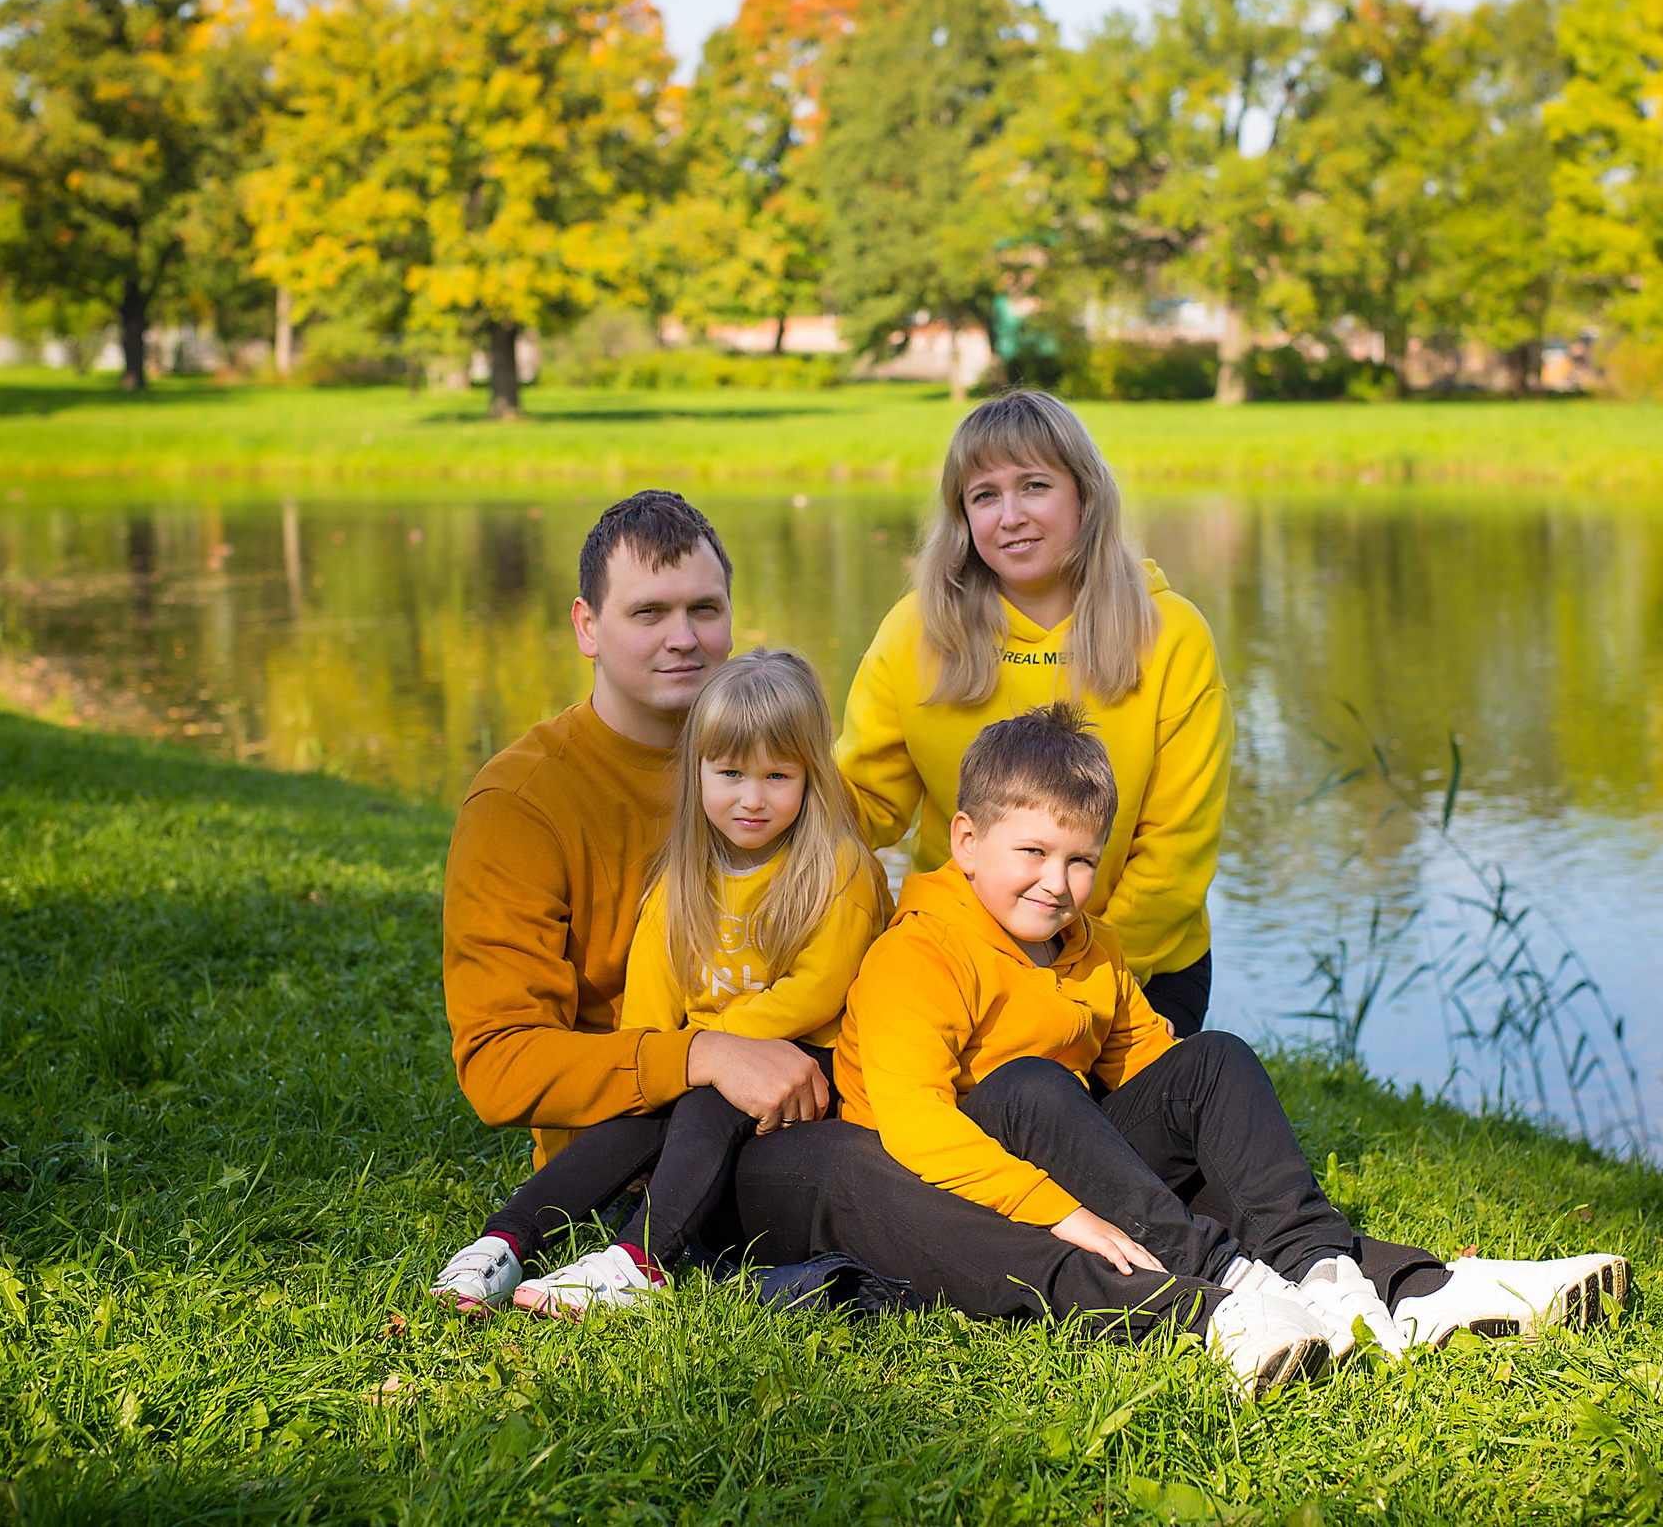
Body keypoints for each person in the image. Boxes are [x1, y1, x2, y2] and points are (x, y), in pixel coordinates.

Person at [782, 703, 1633, 1397]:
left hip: (1061, 1142)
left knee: (1211, 1058)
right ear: (966, 842)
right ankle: (1230, 1285)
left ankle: (1345, 1274)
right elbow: (915, 1124)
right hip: (960, 1171)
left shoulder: (1093, 945)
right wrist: (1066, 1213)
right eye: (1032, 851)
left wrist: (1212, 1137)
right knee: (1037, 1086)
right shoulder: (919, 952)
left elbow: (1155, 1074)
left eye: (1081, 859)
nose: (1057, 882)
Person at [430, 492, 832, 1314]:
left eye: (704, 609)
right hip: (625, 1162)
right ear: (587, 626)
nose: (684, 637)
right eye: (649, 611)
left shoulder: (782, 776)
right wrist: (704, 1054)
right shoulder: (521, 801)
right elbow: (499, 1067)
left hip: (784, 1111)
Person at [443, 651, 890, 1318]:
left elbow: (818, 988)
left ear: (811, 777)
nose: (751, 796)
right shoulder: (682, 878)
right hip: (712, 1053)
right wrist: (669, 1063)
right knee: (644, 1107)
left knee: (708, 1097)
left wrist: (711, 1050)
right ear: (698, 772)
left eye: (777, 775)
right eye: (730, 773)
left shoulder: (836, 867)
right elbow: (649, 1007)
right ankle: (510, 1235)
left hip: (804, 1060)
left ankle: (640, 1260)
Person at [836, 391, 1229, 1037]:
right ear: (962, 516)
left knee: (1097, 1126)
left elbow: (1175, 855)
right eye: (984, 495)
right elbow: (862, 806)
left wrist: (1068, 978)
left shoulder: (1171, 635)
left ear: (1085, 494)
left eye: (1035, 485)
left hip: (1135, 964)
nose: (1009, 515)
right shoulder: (915, 631)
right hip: (961, 958)